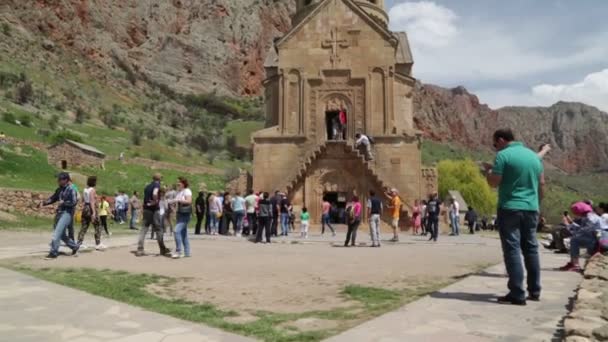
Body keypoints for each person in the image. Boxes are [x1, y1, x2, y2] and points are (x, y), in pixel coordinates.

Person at [484, 128, 544, 305]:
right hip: (531, 208)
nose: (495, 148)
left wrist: (488, 172)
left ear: (501, 140)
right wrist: (537, 204)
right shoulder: (533, 156)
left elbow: (494, 182)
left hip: (510, 207)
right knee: (531, 249)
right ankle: (534, 290)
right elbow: (542, 183)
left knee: (512, 249)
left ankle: (517, 293)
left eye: (495, 144)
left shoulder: (503, 155)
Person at [40, 172, 80, 260]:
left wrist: (64, 203)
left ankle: (53, 252)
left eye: (59, 179)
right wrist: (44, 203)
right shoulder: (59, 190)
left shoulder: (71, 189)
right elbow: (53, 198)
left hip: (67, 213)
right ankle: (75, 246)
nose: (57, 181)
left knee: (56, 233)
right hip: (59, 212)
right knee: (61, 234)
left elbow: (74, 202)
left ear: (65, 180)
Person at [559, 202, 603, 272]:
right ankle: (573, 262)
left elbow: (582, 231)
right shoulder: (588, 216)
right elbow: (582, 229)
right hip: (593, 238)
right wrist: (570, 223)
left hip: (597, 242)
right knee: (575, 239)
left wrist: (568, 225)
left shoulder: (590, 218)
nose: (575, 214)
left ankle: (575, 265)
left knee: (574, 240)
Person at [136, 173, 171, 257]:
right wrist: (155, 201)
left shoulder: (147, 186)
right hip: (154, 209)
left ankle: (140, 249)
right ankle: (162, 249)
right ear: (159, 179)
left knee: (144, 229)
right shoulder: (157, 185)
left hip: (146, 209)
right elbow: (155, 193)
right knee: (159, 229)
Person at [77, 176, 105, 250]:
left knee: (84, 226)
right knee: (98, 225)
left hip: (85, 208)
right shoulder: (92, 190)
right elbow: (92, 201)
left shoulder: (85, 189)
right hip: (90, 208)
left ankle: (79, 243)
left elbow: (82, 200)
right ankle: (98, 243)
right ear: (94, 182)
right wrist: (94, 213)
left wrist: (80, 208)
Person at [170, 177, 192, 259]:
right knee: (183, 234)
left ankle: (179, 251)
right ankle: (187, 252)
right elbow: (177, 201)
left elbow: (189, 201)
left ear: (183, 183)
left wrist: (178, 200)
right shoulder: (180, 192)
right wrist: (173, 204)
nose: (177, 184)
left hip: (185, 214)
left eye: (179, 183)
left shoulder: (187, 191)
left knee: (176, 231)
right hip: (180, 213)